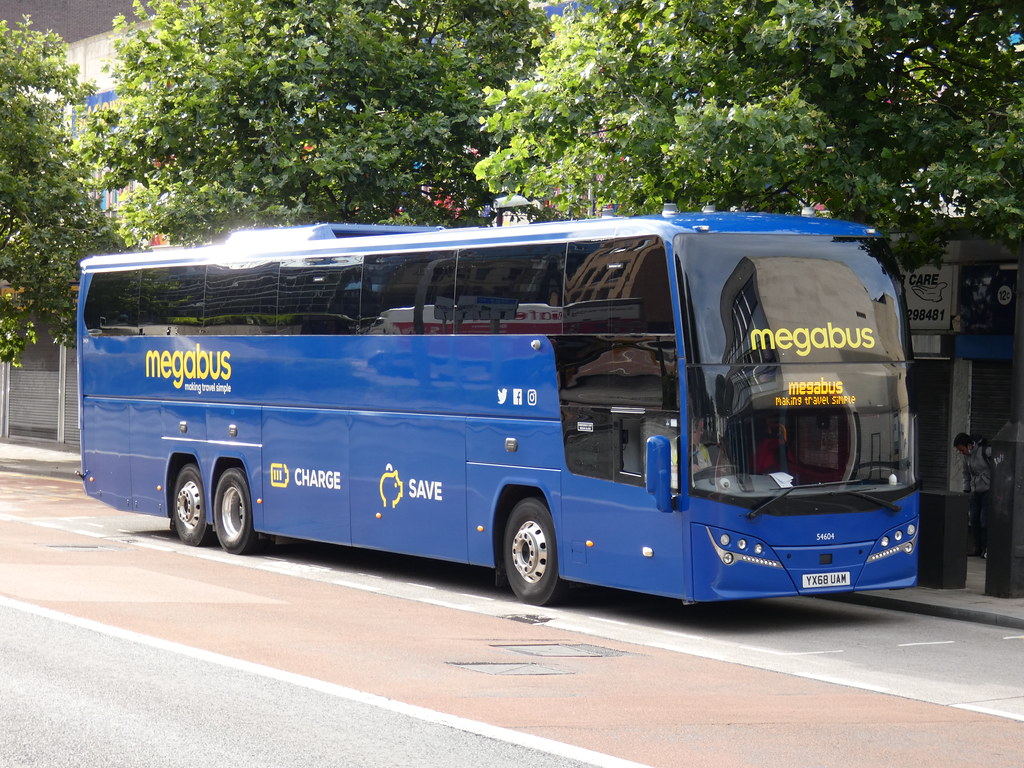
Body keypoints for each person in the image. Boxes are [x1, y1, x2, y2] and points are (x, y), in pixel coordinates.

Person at [953, 432, 992, 558]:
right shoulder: (967, 457)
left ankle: (986, 548)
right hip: (976, 491)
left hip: (988, 490)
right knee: (974, 519)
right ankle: (977, 547)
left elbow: (998, 468)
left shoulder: (985, 451)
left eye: (961, 449)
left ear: (969, 445)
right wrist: (967, 490)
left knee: (984, 520)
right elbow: (966, 474)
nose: (961, 452)